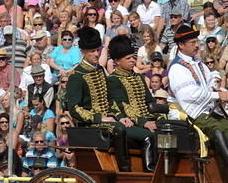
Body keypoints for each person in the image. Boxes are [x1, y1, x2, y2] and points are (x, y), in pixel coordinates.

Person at [168, 24, 228, 180]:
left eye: (196, 41)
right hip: (192, 113)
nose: (196, 45)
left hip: (209, 110)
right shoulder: (177, 68)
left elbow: (210, 80)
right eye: (192, 42)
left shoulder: (197, 63)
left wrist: (218, 89)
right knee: (217, 130)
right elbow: (189, 94)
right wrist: (216, 96)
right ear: (181, 45)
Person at [64, 26, 131, 172]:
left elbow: (109, 99)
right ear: (83, 52)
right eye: (92, 51)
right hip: (91, 126)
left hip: (108, 121)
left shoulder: (100, 70)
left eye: (98, 50)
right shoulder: (77, 76)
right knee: (119, 130)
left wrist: (121, 116)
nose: (96, 54)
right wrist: (100, 118)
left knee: (129, 126)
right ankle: (124, 171)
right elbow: (74, 109)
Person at [106, 35, 158, 171]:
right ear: (117, 61)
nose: (132, 61)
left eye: (133, 57)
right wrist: (143, 122)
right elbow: (121, 106)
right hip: (128, 122)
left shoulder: (139, 77)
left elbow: (149, 101)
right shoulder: (113, 80)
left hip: (147, 119)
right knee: (149, 136)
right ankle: (149, 174)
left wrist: (158, 118)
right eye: (128, 58)